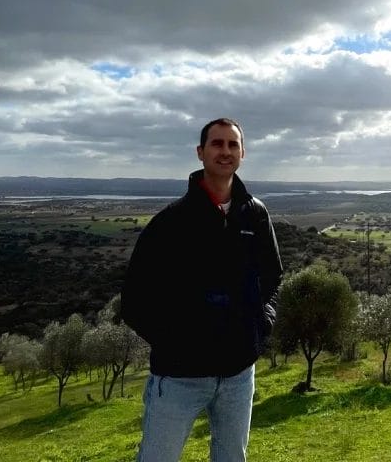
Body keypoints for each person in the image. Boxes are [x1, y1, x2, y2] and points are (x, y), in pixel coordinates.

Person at [121, 118, 283, 462]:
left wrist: (260, 326)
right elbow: (135, 298)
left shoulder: (255, 215)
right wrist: (173, 342)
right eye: (217, 144)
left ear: (242, 154)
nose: (225, 151)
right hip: (179, 376)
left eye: (232, 145)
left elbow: (273, 278)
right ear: (201, 152)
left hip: (239, 374)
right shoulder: (171, 222)